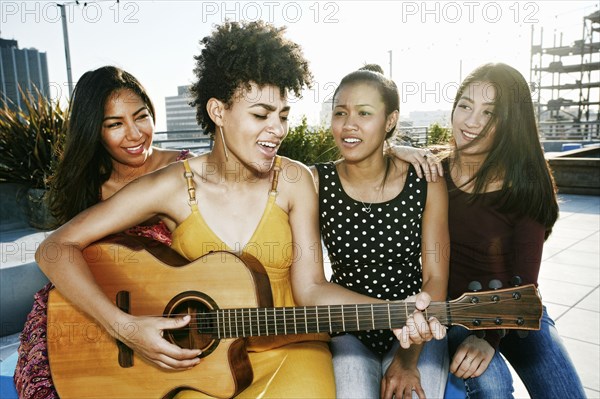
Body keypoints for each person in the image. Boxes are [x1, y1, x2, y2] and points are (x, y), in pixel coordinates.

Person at [34, 22, 442, 399]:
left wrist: (392, 314)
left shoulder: (296, 180)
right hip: (200, 365)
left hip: (293, 350)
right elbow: (54, 248)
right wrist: (124, 327)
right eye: (261, 115)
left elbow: (312, 289)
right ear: (218, 112)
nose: (278, 129)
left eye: (283, 115)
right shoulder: (171, 186)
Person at [395, 62, 585, 398]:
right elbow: (365, 162)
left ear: (511, 123)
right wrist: (394, 150)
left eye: (489, 113)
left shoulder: (527, 184)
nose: (471, 122)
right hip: (453, 310)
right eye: (465, 106)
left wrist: (489, 338)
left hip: (514, 306)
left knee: (565, 394)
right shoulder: (431, 171)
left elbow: (525, 282)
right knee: (492, 384)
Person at [14, 65, 192, 399]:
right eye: (114, 124)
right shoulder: (86, 183)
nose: (135, 134)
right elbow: (55, 251)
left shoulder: (184, 171)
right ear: (93, 131)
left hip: (160, 317)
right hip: (76, 316)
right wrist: (121, 326)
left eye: (141, 117)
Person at [311, 65, 449, 399]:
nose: (348, 125)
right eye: (340, 112)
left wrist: (408, 356)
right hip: (348, 328)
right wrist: (388, 313)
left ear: (390, 121)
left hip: (418, 322)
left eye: (364, 113)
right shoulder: (315, 182)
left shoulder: (426, 180)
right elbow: (313, 286)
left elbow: (435, 278)